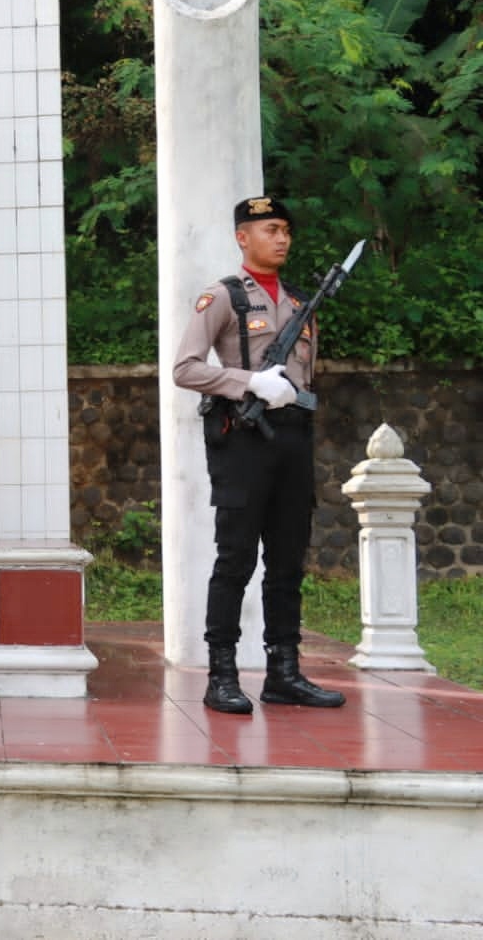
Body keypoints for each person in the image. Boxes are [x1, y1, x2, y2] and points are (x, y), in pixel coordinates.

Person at [172, 196, 346, 714]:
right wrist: (249, 381)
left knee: (288, 561)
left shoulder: (299, 301)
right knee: (235, 560)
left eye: (287, 229)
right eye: (271, 229)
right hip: (243, 438)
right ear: (243, 237)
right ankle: (221, 674)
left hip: (293, 438)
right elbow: (184, 368)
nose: (283, 238)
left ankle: (284, 672)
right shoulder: (223, 297)